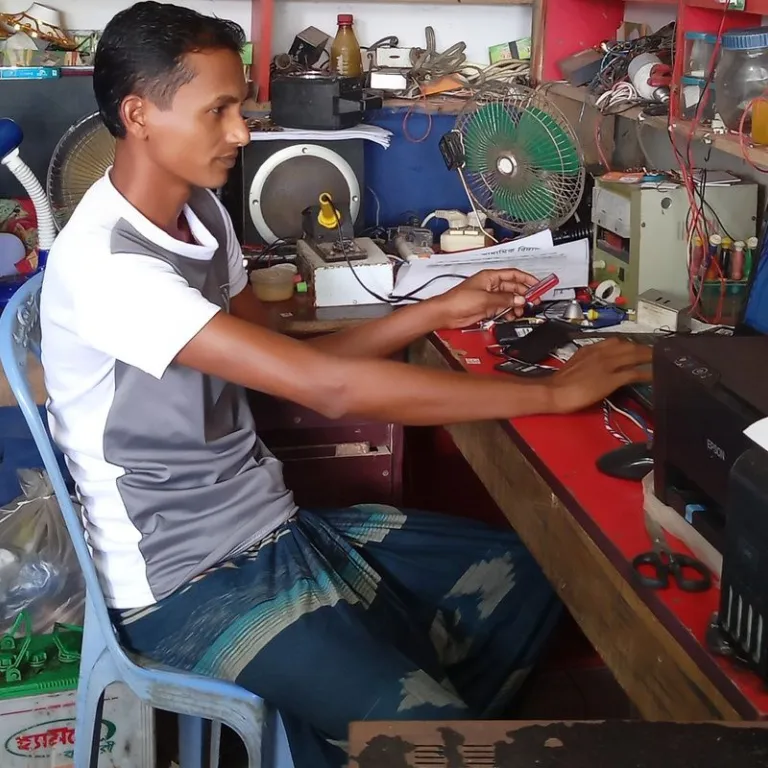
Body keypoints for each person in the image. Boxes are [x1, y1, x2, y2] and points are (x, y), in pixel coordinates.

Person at [39, 3, 651, 767]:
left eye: (241, 106)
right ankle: (398, 734)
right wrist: (555, 394)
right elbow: (324, 387)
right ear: (139, 115)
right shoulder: (109, 267)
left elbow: (278, 354)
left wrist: (440, 306)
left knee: (528, 574)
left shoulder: (199, 211)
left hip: (272, 527)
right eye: (219, 111)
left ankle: (369, 736)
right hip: (185, 582)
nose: (242, 132)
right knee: (436, 737)